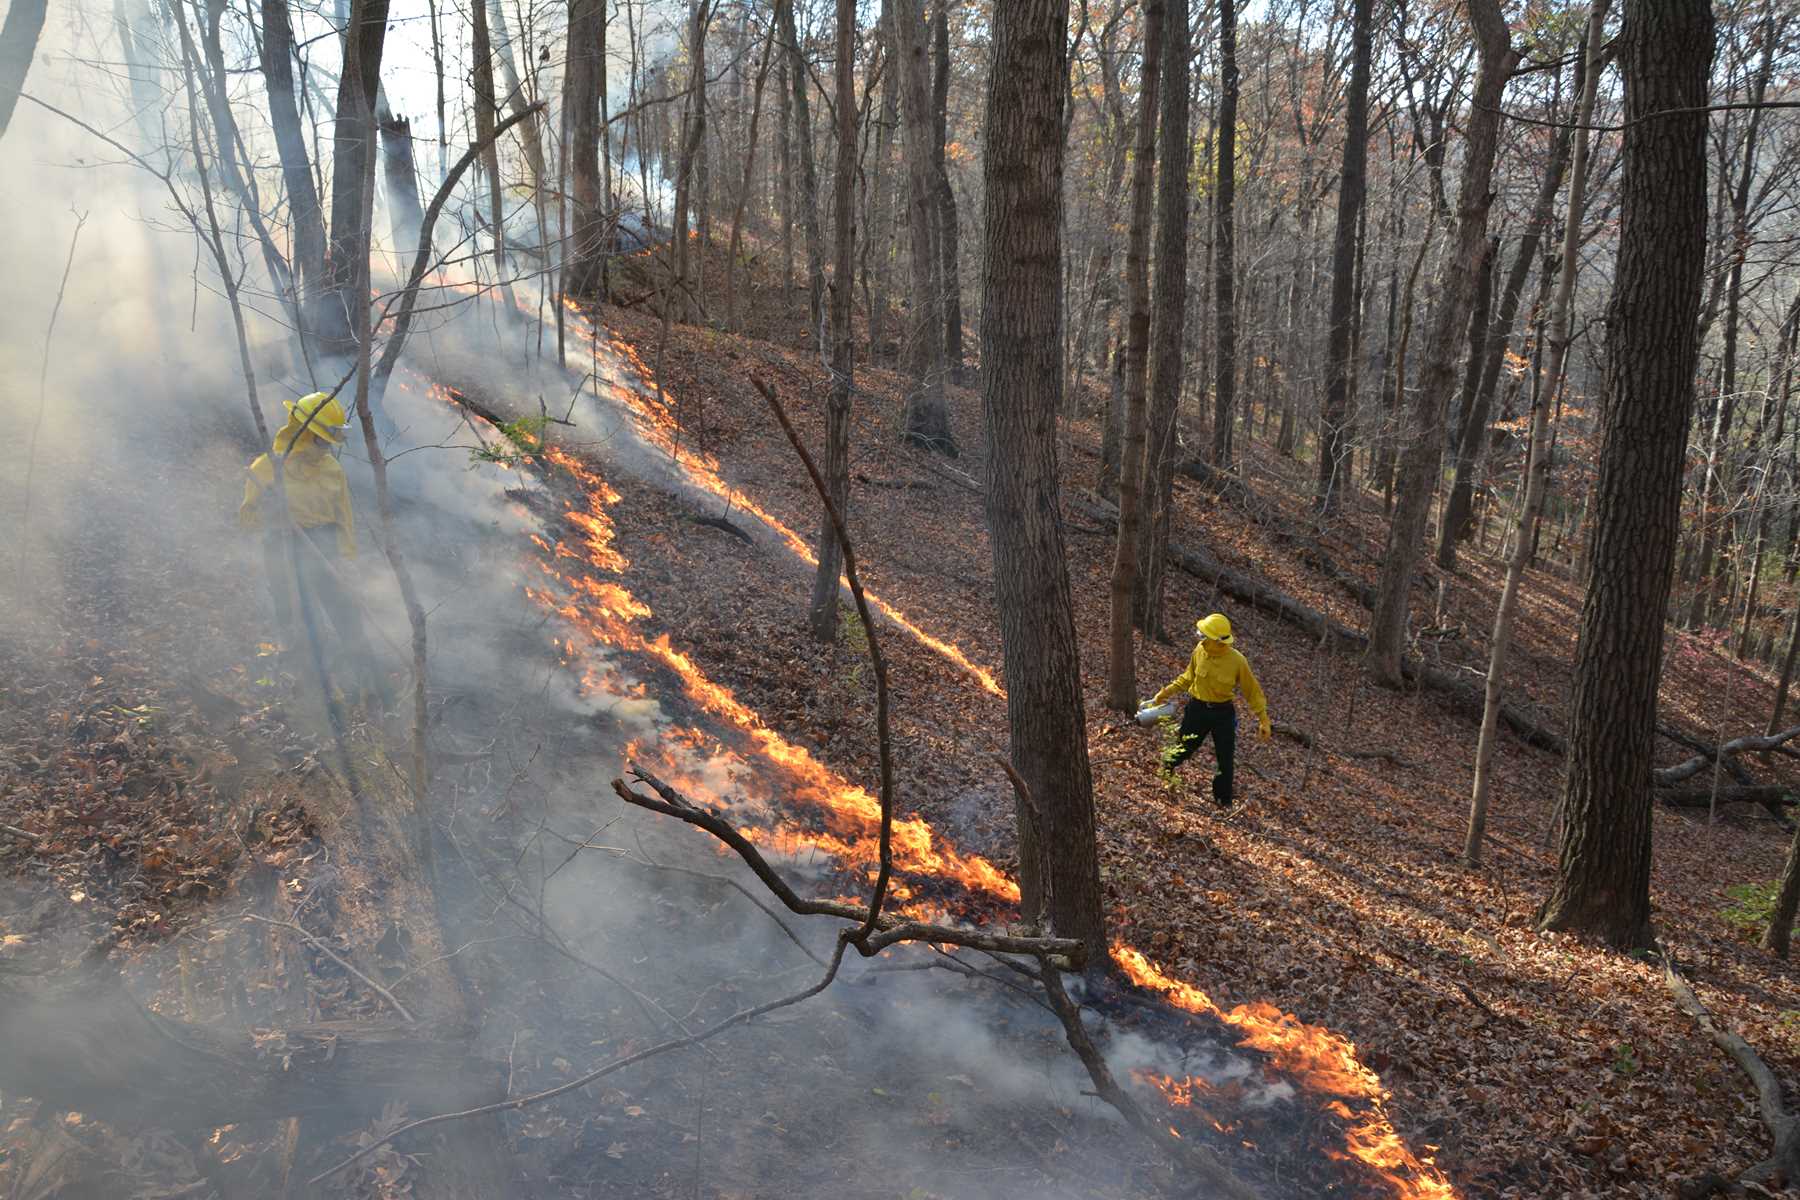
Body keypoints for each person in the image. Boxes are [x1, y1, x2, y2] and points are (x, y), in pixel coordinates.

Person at [240, 392, 381, 696]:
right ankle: (305, 685)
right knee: (294, 615)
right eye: (321, 440)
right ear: (302, 433)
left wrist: (346, 558)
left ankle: (369, 680)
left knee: (344, 614)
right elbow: (248, 519)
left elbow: (344, 518)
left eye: (329, 441)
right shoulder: (267, 467)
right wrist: (270, 512)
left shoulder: (332, 470)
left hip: (323, 544)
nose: (327, 447)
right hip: (282, 546)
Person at [1147, 612, 1270, 808]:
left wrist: (1263, 719)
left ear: (1219, 641)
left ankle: (1223, 801)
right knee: (1184, 746)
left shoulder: (1237, 661)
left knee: (1225, 759)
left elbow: (1252, 691)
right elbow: (1187, 677)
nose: (1202, 638)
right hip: (1197, 709)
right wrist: (1164, 694)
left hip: (1223, 714)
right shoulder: (1199, 650)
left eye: (1206, 635)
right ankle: (1165, 771)